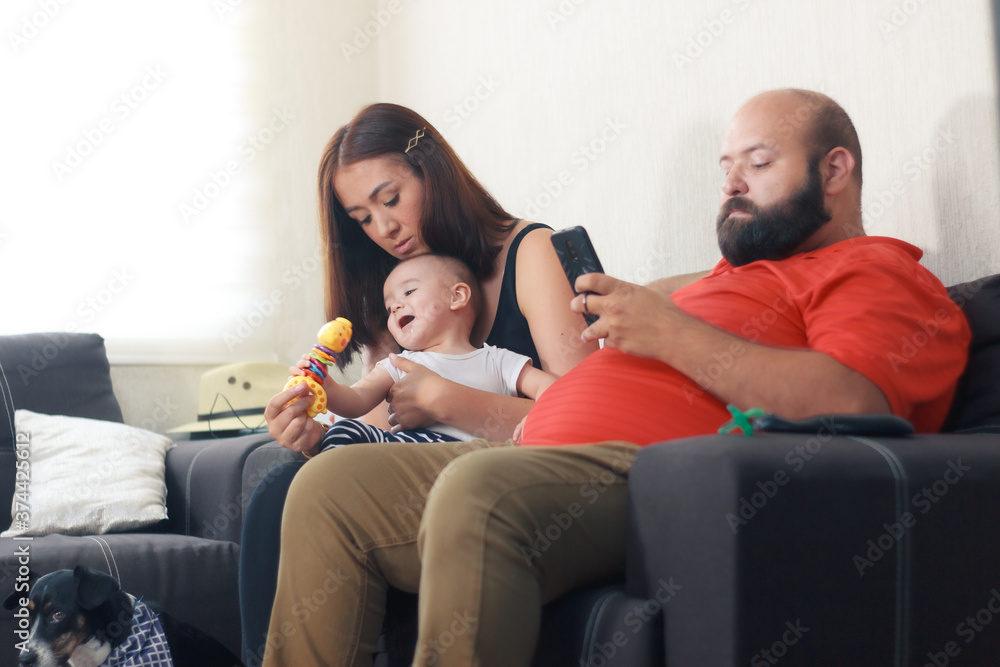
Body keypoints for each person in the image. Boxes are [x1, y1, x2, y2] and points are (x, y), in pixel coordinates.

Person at [260, 89, 971, 666]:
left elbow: (857, 399)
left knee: (478, 493)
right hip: (542, 450)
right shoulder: (728, 283)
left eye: (756, 163)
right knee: (325, 488)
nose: (730, 183)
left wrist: (666, 328)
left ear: (836, 169)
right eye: (725, 166)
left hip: (652, 469)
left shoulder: (878, 270)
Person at [239, 103, 597, 664]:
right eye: (361, 218)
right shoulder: (402, 291)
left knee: (304, 494)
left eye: (391, 199)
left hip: (513, 473)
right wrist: (319, 432)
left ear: (433, 171)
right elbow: (376, 425)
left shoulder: (530, 252)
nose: (384, 230)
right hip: (420, 472)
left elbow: (593, 420)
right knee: (274, 488)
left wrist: (449, 401)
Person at [301, 253, 556, 449]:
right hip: (412, 451)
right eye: (389, 308)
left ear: (457, 296)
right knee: (343, 433)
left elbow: (555, 390)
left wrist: (534, 419)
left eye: (409, 292)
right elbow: (356, 400)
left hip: (479, 456)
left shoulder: (497, 359)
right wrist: (324, 384)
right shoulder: (399, 363)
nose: (396, 307)